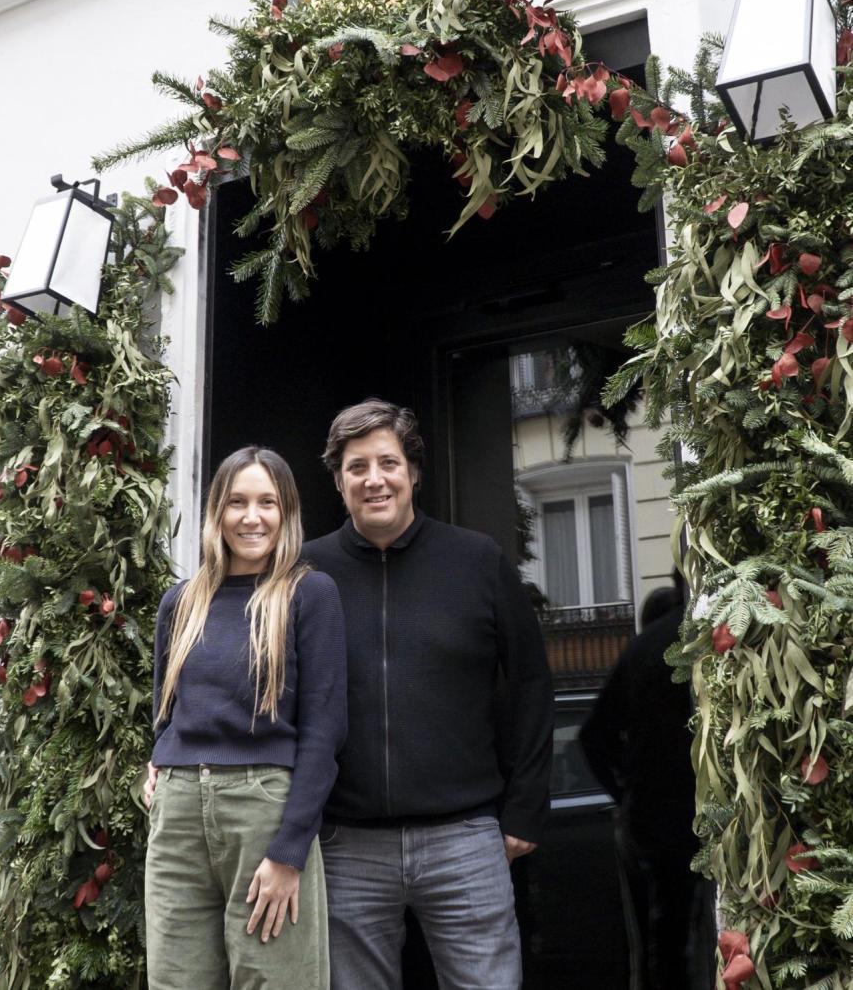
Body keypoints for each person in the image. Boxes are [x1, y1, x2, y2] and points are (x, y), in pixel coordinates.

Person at [302, 399, 553, 990]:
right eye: (356, 466)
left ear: (413, 471)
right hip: (346, 844)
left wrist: (523, 809)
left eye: (387, 462)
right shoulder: (306, 573)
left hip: (465, 838)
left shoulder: (478, 561)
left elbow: (531, 685)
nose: (374, 479)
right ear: (339, 482)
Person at [143, 446, 347, 990]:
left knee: (275, 979)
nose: (251, 517)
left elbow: (324, 731)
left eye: (266, 502)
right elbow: (165, 709)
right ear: (217, 511)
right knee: (176, 979)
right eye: (237, 502)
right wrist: (157, 761)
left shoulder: (308, 594)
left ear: (286, 513)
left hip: (263, 809)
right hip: (179, 813)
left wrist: (289, 851)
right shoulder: (181, 602)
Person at [579, 583, 716, 990]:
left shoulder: (641, 652)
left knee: (665, 940)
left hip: (658, 819)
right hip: (693, 813)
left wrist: (627, 794)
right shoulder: (708, 638)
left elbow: (593, 735)